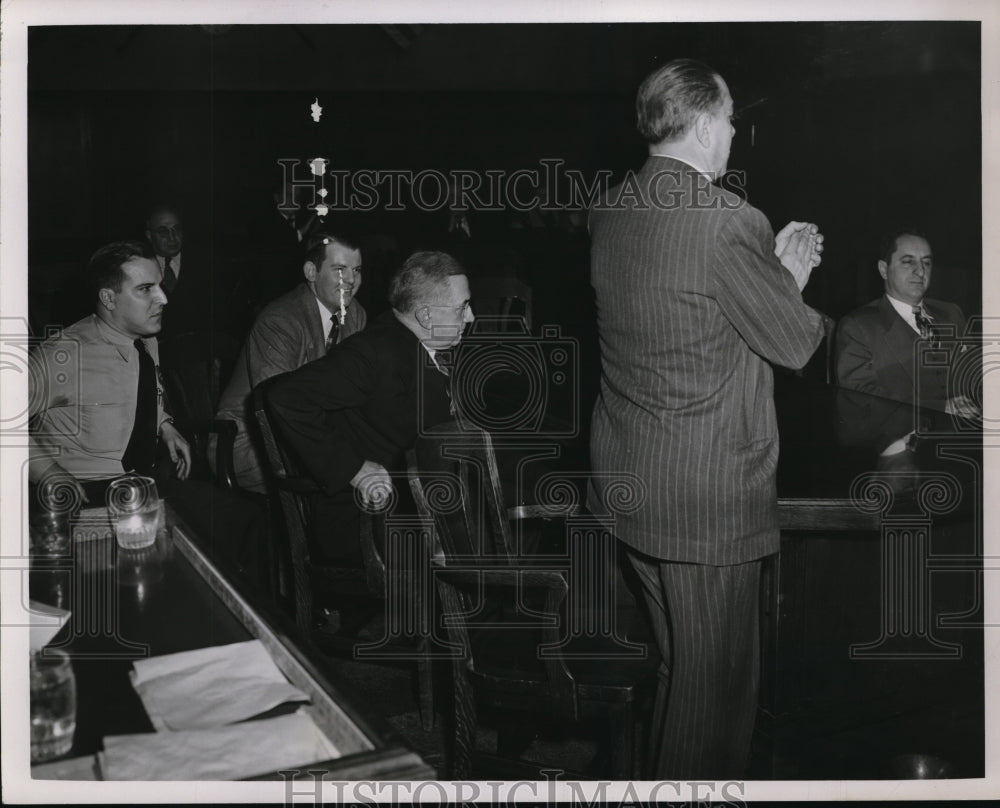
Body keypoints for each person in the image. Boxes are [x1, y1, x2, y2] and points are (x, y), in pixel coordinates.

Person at [588, 58, 827, 779]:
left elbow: (685, 323)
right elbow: (794, 343)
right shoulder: (729, 221)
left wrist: (763, 278)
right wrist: (787, 279)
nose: (732, 133)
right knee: (716, 697)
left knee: (680, 674)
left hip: (633, 482)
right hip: (706, 501)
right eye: (727, 119)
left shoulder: (611, 208)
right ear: (699, 125)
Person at [266, 250, 473, 564]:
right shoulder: (373, 353)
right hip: (373, 521)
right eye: (462, 308)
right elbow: (286, 396)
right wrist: (353, 469)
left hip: (418, 508)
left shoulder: (421, 345)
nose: (470, 318)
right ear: (426, 316)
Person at [29, 241, 191, 506]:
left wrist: (164, 425)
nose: (163, 299)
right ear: (108, 298)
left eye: (159, 286)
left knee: (240, 518)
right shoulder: (64, 355)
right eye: (145, 289)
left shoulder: (146, 342)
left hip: (144, 483)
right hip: (87, 497)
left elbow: (133, 394)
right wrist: (47, 472)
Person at [212, 228, 367, 493]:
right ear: (311, 272)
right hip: (248, 441)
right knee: (345, 479)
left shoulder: (355, 315)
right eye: (340, 270)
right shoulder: (280, 322)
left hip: (308, 430)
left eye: (357, 270)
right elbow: (275, 412)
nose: (351, 280)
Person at [835, 229, 979, 417]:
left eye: (926, 262)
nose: (920, 271)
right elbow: (860, 399)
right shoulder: (857, 327)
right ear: (883, 270)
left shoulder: (952, 313)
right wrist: (940, 408)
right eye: (908, 262)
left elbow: (977, 375)